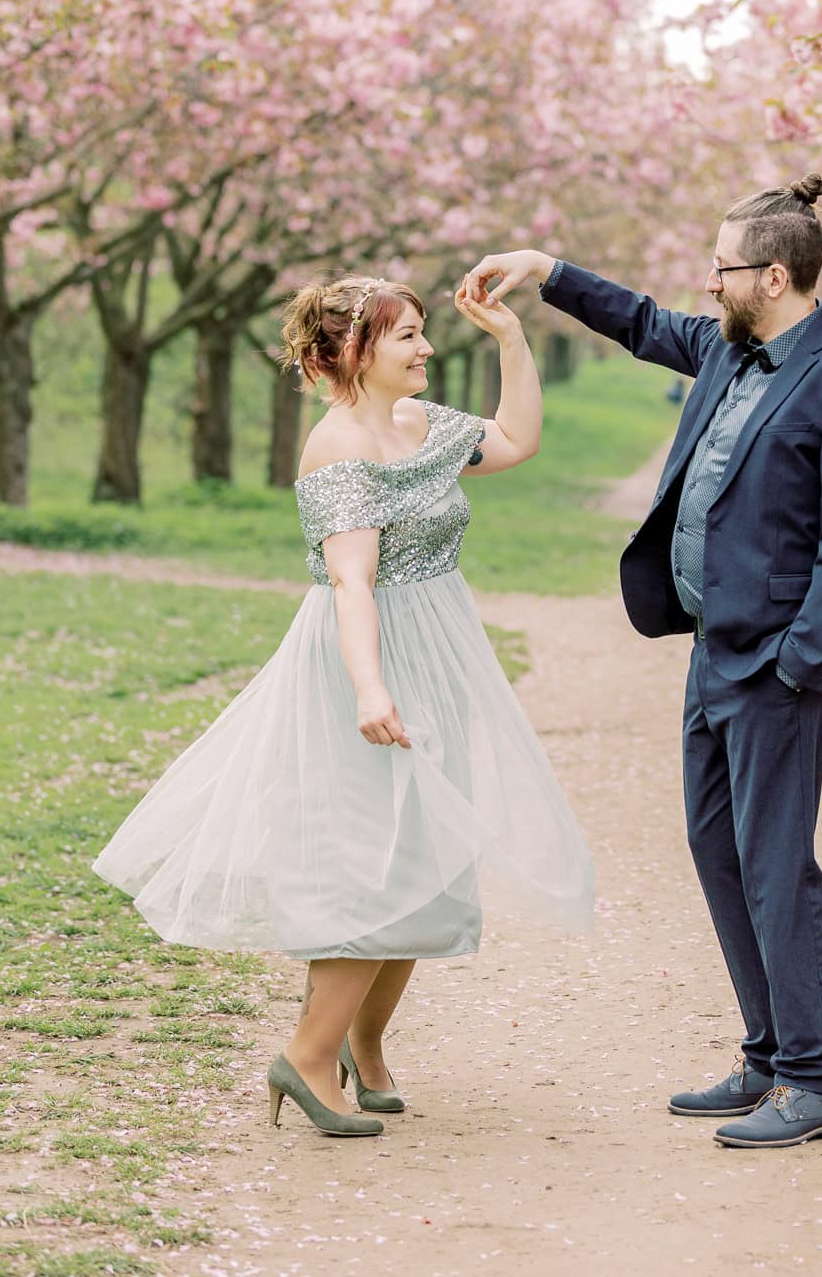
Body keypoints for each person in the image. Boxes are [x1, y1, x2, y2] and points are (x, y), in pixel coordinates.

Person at [93, 276, 594, 1138]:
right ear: (355, 351)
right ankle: (309, 1054)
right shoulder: (337, 449)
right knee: (374, 863)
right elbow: (351, 581)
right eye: (407, 337)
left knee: (431, 850)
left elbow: (515, 439)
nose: (427, 349)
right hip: (366, 661)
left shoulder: (420, 427)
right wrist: (370, 687)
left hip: (436, 652)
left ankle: (365, 1043)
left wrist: (512, 337)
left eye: (424, 333)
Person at [458, 173, 822, 1150]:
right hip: (709, 652)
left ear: (772, 275)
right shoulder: (731, 352)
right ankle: (769, 1055)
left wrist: (799, 665)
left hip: (777, 670)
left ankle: (814, 1082)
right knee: (718, 850)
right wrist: (547, 272)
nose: (709, 283)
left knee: (777, 866)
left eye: (724, 268)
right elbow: (643, 320)